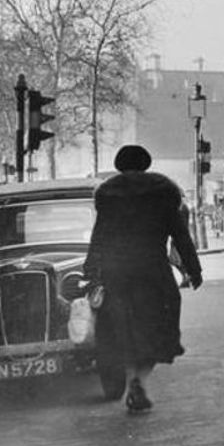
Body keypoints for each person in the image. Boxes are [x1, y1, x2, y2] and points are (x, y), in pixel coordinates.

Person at [82, 144, 202, 415]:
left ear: (119, 164)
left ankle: (130, 378)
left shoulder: (107, 193)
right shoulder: (163, 190)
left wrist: (90, 270)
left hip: (117, 271)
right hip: (152, 270)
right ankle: (140, 380)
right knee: (160, 320)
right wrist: (194, 270)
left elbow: (98, 236)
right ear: (147, 163)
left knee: (121, 327)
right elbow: (180, 236)